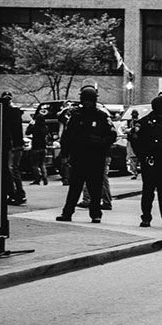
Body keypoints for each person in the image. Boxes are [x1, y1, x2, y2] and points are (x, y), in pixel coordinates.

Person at [55, 84, 116, 223]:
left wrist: (100, 143)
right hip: (79, 157)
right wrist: (64, 154)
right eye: (85, 100)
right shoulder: (75, 115)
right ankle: (67, 213)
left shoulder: (101, 116)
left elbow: (112, 135)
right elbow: (67, 136)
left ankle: (95, 214)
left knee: (95, 189)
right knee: (75, 188)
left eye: (89, 100)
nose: (87, 103)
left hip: (96, 157)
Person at [131, 95, 162, 229]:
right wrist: (143, 156)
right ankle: (146, 218)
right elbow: (135, 140)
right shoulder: (145, 122)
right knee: (148, 191)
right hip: (149, 161)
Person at [0, 92, 26, 206]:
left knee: (12, 169)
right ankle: (15, 193)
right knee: (11, 169)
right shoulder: (12, 112)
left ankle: (18, 193)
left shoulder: (11, 112)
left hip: (14, 145)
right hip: (14, 145)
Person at [27, 112, 49, 185]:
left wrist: (30, 125)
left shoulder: (34, 128)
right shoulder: (45, 128)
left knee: (35, 164)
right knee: (42, 163)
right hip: (43, 147)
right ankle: (45, 178)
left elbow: (27, 132)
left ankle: (37, 179)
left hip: (35, 147)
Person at [125, 110, 141, 181]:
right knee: (135, 157)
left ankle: (134, 172)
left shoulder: (130, 122)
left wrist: (129, 131)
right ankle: (135, 171)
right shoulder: (139, 122)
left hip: (132, 141)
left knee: (133, 158)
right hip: (136, 141)